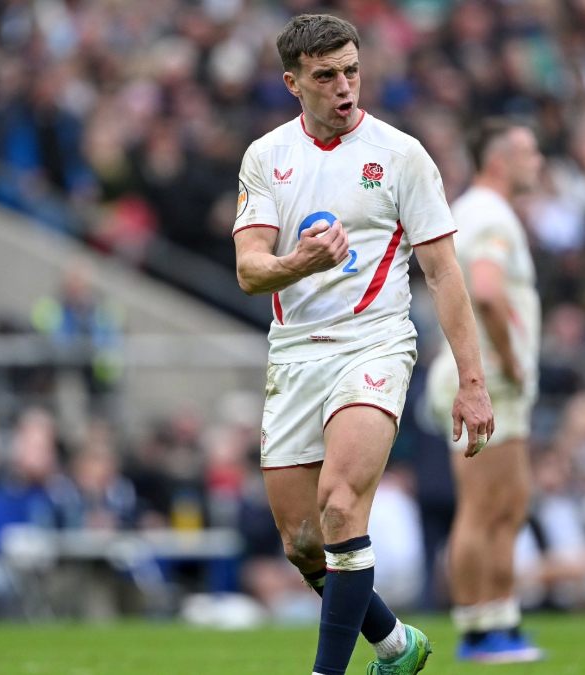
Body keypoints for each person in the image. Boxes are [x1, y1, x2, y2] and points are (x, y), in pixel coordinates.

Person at [231, 14, 494, 675]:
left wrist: (471, 379)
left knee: (342, 503)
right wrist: (304, 263)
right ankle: (397, 646)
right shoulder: (267, 156)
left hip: (372, 341)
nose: (344, 87)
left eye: (352, 70)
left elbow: (443, 273)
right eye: (326, 76)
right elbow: (249, 268)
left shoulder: (402, 155)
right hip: (294, 348)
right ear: (293, 83)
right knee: (302, 542)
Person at [425, 119, 544, 663]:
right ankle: (479, 627)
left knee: (507, 505)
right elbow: (490, 293)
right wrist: (513, 360)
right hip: (489, 377)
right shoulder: (488, 214)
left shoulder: (481, 212)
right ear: (498, 160)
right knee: (483, 506)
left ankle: (500, 617)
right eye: (528, 152)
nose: (537, 160)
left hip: (491, 378)